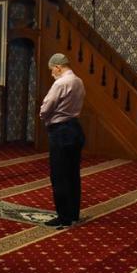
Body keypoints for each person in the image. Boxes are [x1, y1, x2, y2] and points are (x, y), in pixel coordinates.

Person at [39, 53, 86, 228]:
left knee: (59, 175)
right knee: (73, 173)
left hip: (60, 131)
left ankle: (63, 217)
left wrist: (43, 116)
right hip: (75, 129)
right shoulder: (79, 81)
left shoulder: (61, 83)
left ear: (58, 67)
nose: (52, 74)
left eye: (52, 70)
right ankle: (73, 213)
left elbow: (47, 107)